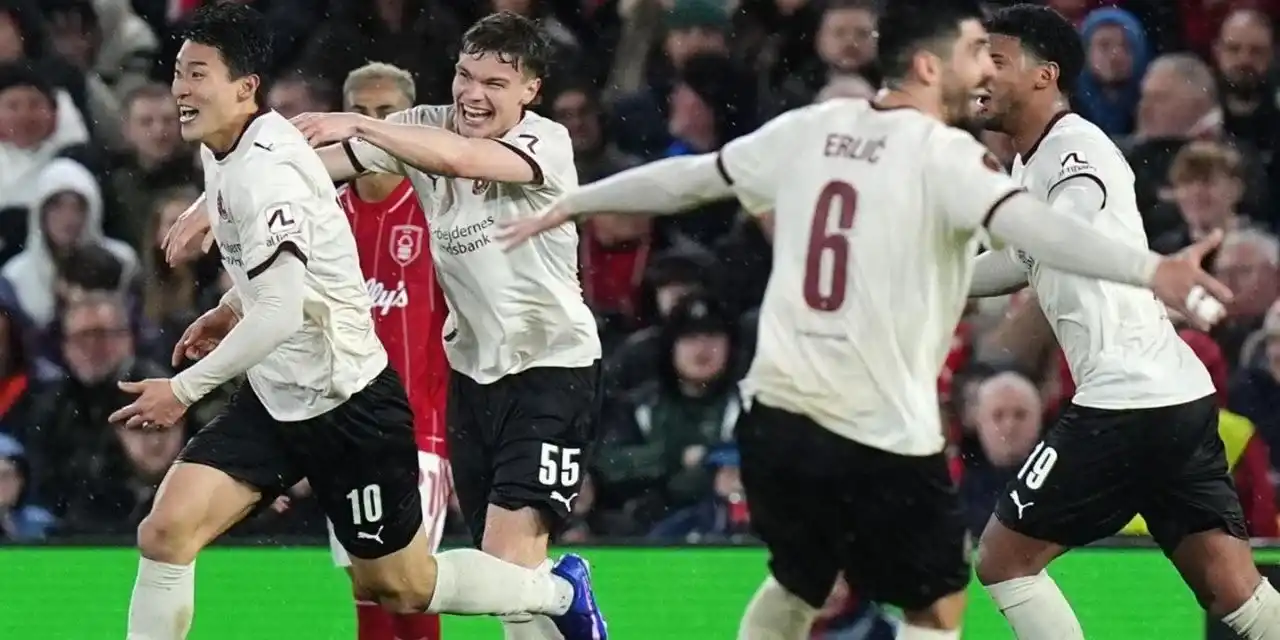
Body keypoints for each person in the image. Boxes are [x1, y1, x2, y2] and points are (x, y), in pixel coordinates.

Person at [496, 0, 1235, 637]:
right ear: (927, 65)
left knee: (797, 581)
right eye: (974, 53)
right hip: (880, 425)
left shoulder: (813, 126)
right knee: (941, 602)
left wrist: (576, 199)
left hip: (777, 414)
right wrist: (1152, 268)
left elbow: (693, 178)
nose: (982, 70)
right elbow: (1041, 235)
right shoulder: (947, 156)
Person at [111, 5, 602, 640]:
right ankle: (556, 595)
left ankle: (566, 592)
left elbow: (455, 159)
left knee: (508, 569)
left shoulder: (545, 143)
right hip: (472, 377)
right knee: (173, 533)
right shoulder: (424, 126)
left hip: (548, 369)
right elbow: (307, 171)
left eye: (495, 84)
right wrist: (216, 202)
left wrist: (357, 125)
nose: (472, 96)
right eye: (464, 76)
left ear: (531, 91)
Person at [968, 5, 1280, 639]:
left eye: (995, 61)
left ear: (1043, 75)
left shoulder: (1076, 148)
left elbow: (1070, 230)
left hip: (1126, 402)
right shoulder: (1030, 164)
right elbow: (1028, 254)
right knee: (1235, 594)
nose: (979, 74)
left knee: (1003, 560)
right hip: (1174, 395)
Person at [332, 62, 451, 640]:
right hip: (342, 430)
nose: (371, 126)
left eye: (387, 114)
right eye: (360, 112)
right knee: (365, 584)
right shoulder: (322, 216)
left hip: (420, 429)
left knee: (410, 586)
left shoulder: (438, 210)